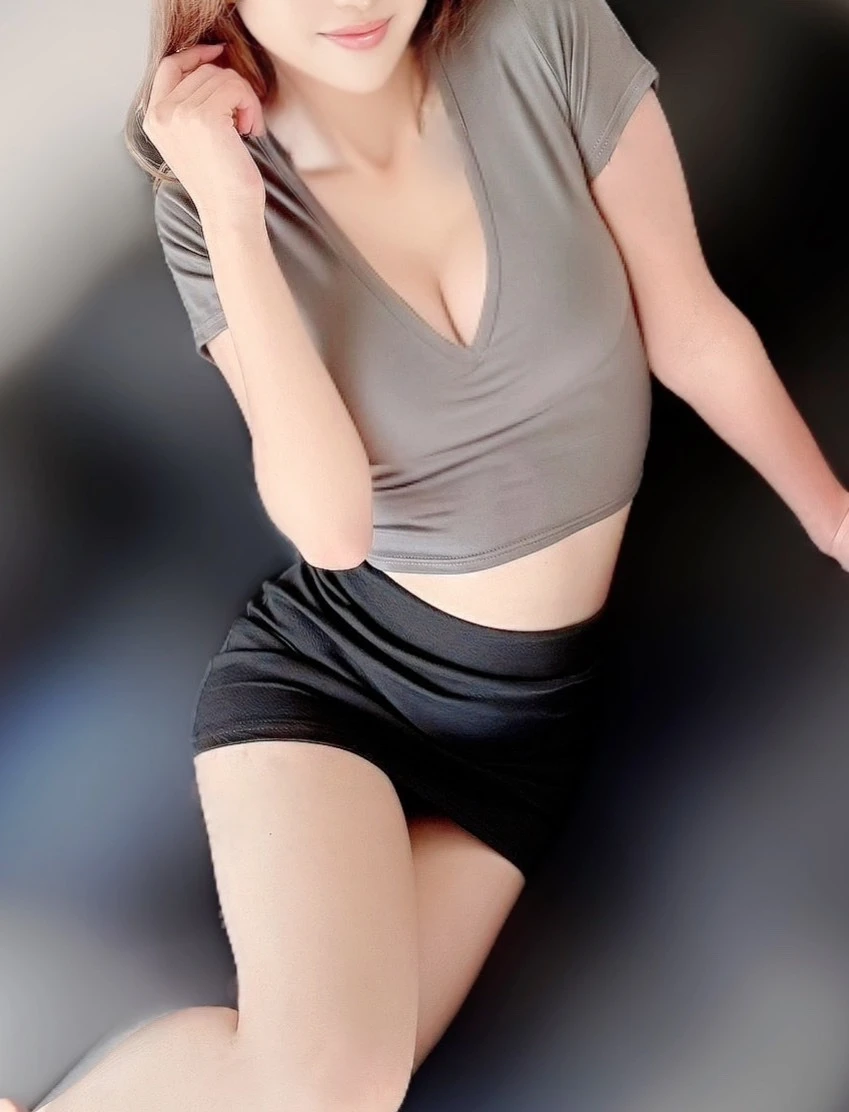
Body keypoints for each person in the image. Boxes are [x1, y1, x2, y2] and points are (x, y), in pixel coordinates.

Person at [5, 0, 848, 1110]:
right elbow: (330, 526)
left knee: (335, 1084)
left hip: (526, 729)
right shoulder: (216, 200)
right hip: (339, 686)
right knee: (333, 1083)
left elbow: (690, 325)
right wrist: (229, 207)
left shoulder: (545, 34)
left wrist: (833, 516)